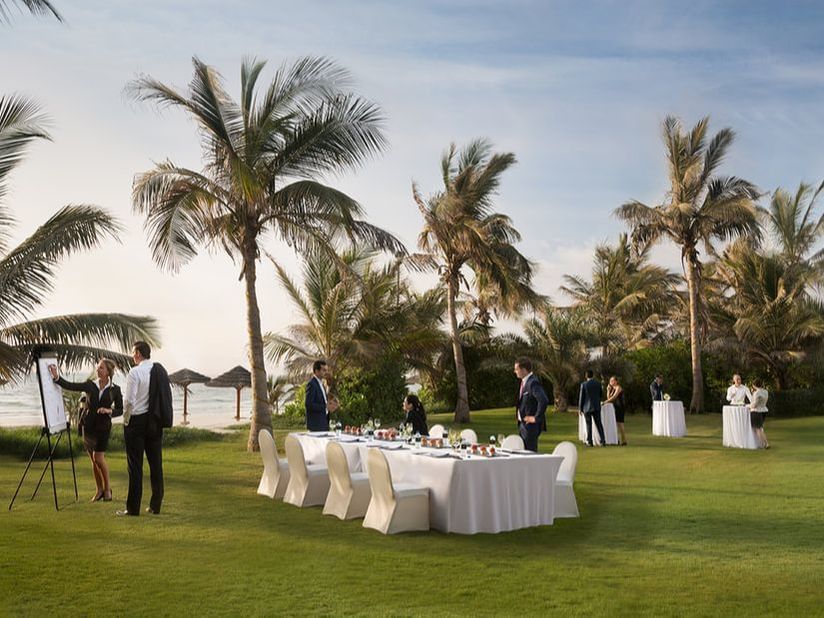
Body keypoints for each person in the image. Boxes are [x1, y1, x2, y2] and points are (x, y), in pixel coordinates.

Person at [48, 359, 123, 502]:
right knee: (93, 461)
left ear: (108, 372)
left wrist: (109, 410)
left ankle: (107, 489)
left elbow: (120, 410)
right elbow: (71, 385)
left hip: (103, 428)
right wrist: (56, 377)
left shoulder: (115, 389)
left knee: (98, 458)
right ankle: (99, 490)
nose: (98, 370)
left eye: (101, 368)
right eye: (98, 367)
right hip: (88, 427)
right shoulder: (90, 385)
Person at [117, 341, 169, 517]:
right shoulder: (159, 370)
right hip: (154, 421)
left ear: (138, 353)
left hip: (137, 422)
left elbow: (129, 401)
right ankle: (155, 506)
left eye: (133, 352)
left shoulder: (135, 372)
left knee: (135, 466)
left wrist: (126, 419)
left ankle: (133, 509)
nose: (132, 355)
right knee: (156, 464)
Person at [513, 357, 549, 452]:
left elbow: (543, 400)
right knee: (523, 452)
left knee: (529, 453)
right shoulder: (524, 382)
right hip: (523, 425)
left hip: (530, 427)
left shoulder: (533, 383)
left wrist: (536, 418)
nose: (515, 371)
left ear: (524, 370)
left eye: (517, 369)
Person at [305, 360, 339, 431]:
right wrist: (325, 406)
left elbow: (322, 401)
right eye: (324, 370)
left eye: (326, 370)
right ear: (316, 371)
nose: (326, 372)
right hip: (316, 426)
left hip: (323, 423)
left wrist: (331, 405)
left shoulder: (321, 384)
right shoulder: (312, 384)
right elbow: (309, 405)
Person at [579, 369, 606, 447]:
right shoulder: (598, 383)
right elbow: (601, 394)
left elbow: (582, 397)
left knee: (588, 425)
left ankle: (590, 441)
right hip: (596, 406)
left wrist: (580, 408)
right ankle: (603, 440)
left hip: (587, 407)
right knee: (599, 424)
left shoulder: (584, 384)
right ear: (593, 375)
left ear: (586, 376)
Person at [604, 375, 627, 446]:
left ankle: (624, 440)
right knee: (615, 424)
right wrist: (608, 390)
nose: (610, 382)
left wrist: (605, 402)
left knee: (620, 424)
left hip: (620, 407)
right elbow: (609, 397)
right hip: (615, 407)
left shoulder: (618, 388)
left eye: (612, 380)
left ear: (616, 381)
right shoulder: (612, 388)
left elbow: (614, 397)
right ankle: (616, 440)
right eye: (610, 381)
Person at [749, 378, 770, 449]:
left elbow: (754, 404)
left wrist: (748, 406)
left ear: (754, 385)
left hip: (756, 411)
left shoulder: (757, 393)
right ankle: (761, 443)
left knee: (758, 429)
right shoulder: (765, 392)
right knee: (760, 428)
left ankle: (765, 444)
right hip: (764, 410)